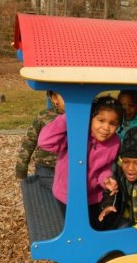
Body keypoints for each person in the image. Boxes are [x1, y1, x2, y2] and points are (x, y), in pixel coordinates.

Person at [38, 96, 123, 230]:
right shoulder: (76, 134)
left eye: (113, 124)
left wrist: (106, 180)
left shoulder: (115, 142)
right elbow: (45, 142)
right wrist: (69, 117)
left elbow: (105, 167)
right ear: (90, 119)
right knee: (73, 228)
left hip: (93, 197)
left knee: (93, 227)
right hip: (67, 194)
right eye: (101, 120)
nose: (106, 127)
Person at [15, 90, 65, 190]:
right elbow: (30, 141)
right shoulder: (44, 117)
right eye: (66, 97)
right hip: (47, 168)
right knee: (55, 192)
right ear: (54, 98)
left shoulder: (84, 117)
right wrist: (21, 169)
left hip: (70, 168)